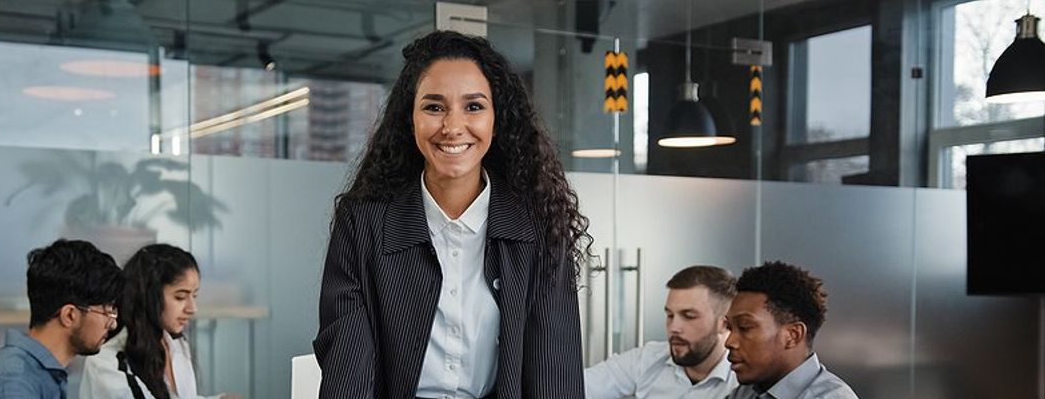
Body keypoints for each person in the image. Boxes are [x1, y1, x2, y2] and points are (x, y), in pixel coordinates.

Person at [314, 30, 592, 399]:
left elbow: (554, 375)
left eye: (473, 106)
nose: (452, 127)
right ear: (409, 118)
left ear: (497, 118)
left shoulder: (536, 226)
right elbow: (349, 372)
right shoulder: (363, 222)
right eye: (434, 107)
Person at [0, 239, 124, 399]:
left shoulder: (40, 374)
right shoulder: (15, 383)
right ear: (69, 315)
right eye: (106, 312)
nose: (113, 324)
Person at [79, 244, 241, 399]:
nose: (192, 308)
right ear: (149, 295)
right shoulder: (107, 363)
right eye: (180, 297)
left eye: (195, 296)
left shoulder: (176, 345)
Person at [584, 265, 739, 398]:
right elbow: (575, 388)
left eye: (689, 316)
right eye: (670, 315)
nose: (673, 327)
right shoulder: (648, 359)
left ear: (724, 324)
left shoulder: (743, 382)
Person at [724, 261, 858, 399]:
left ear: (793, 335)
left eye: (745, 327)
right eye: (729, 328)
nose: (729, 342)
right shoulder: (745, 393)